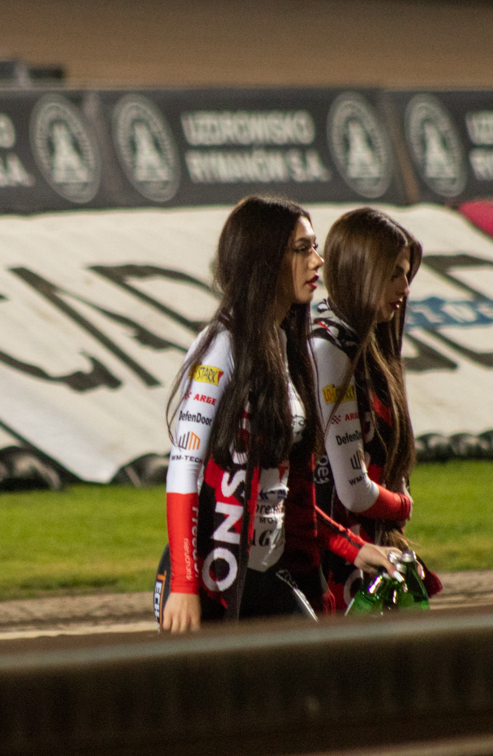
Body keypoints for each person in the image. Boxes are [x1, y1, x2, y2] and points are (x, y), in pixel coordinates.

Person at [157, 196, 400, 633]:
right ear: (264, 259)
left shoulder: (287, 344)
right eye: (303, 248)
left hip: (265, 574)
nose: (318, 260)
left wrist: (352, 546)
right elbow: (183, 469)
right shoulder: (222, 346)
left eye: (315, 246)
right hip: (214, 578)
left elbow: (285, 494)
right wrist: (185, 584)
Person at [308, 207, 439, 611]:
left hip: (363, 551)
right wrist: (403, 505)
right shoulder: (330, 348)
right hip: (334, 561)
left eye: (407, 274)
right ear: (361, 270)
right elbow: (353, 491)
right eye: (394, 273)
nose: (405, 287)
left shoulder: (362, 344)